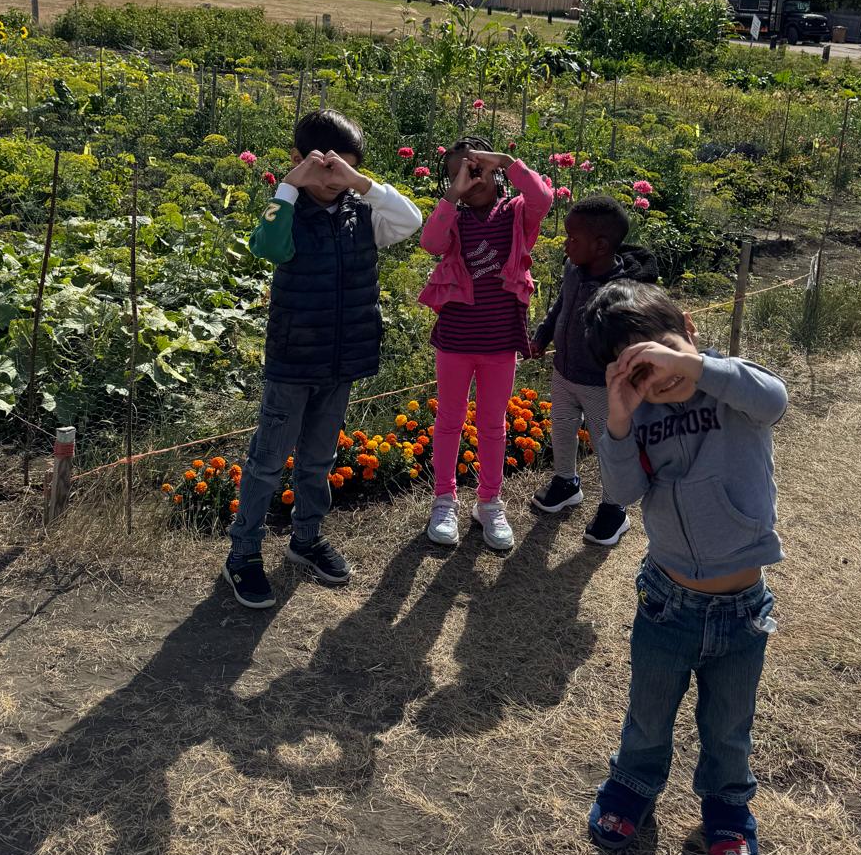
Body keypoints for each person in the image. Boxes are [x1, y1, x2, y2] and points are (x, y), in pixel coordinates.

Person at [581, 280, 787, 855]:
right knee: (648, 713)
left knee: (728, 725)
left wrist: (695, 364)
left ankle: (727, 811)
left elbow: (775, 399)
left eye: (664, 353)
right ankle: (631, 789)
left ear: (690, 331)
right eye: (640, 372)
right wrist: (619, 421)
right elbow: (622, 493)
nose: (661, 377)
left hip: (742, 606)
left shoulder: (732, 389)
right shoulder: (639, 415)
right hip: (666, 601)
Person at [223, 110, 422, 609]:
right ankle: (243, 554)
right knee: (267, 462)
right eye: (326, 170)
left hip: (342, 359)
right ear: (300, 162)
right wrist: (290, 186)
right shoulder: (288, 212)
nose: (335, 182)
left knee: (318, 460)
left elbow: (411, 221)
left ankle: (306, 539)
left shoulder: (362, 213)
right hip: (294, 360)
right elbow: (265, 245)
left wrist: (362, 183)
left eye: (345, 172)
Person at [419, 137, 553, 552]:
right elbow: (430, 243)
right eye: (462, 171)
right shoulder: (454, 220)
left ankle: (489, 502)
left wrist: (508, 162)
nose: (472, 176)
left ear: (494, 169)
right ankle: (444, 500)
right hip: (456, 340)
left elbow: (542, 198)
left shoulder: (515, 214)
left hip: (500, 342)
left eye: (477, 167)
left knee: (493, 425)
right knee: (450, 420)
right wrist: (453, 194)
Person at [530, 195, 657, 546]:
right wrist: (542, 334)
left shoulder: (623, 290)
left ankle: (615, 507)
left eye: (573, 238)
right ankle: (566, 481)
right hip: (564, 372)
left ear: (601, 246)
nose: (566, 244)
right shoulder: (573, 270)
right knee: (562, 428)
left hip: (602, 384)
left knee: (609, 444)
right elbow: (560, 306)